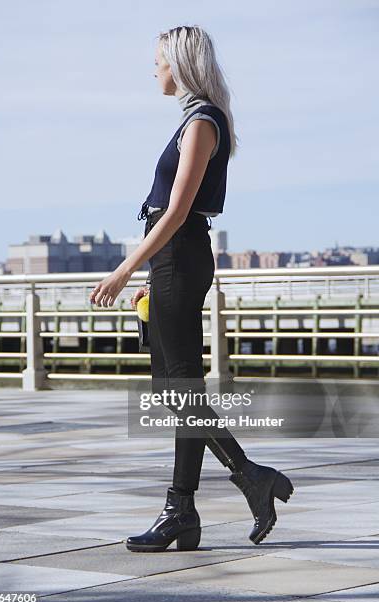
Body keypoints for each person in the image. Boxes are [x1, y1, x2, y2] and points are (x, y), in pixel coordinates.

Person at [89, 25, 294, 553]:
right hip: (172, 261)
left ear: (179, 65)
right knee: (177, 391)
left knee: (178, 390)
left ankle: (242, 480)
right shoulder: (195, 120)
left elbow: (178, 210)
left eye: (158, 61)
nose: (154, 70)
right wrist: (149, 273)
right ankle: (187, 509)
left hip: (178, 256)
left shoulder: (202, 122)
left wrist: (124, 268)